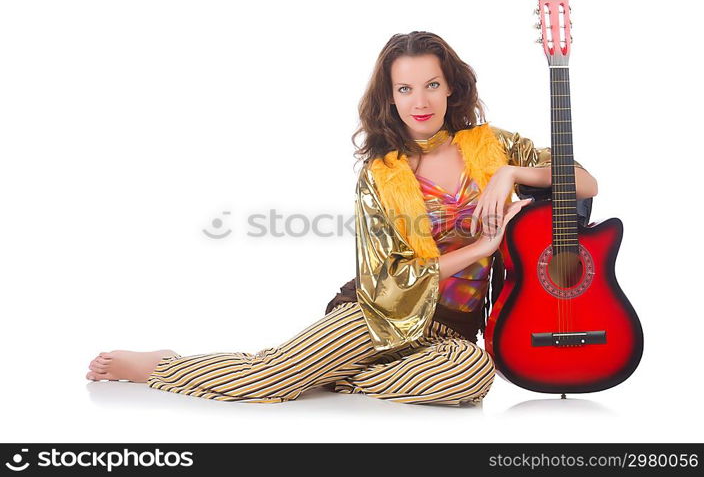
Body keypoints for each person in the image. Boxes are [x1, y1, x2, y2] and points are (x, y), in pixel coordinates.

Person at [86, 31, 598, 405]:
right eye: (404, 90)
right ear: (390, 98)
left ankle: (337, 377)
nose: (419, 101)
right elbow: (387, 281)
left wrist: (511, 173)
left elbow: (586, 181)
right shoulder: (381, 174)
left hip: (450, 331)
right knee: (268, 382)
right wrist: (481, 249)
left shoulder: (493, 145)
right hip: (377, 314)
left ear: (451, 89)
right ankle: (159, 365)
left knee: (473, 377)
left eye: (431, 85)